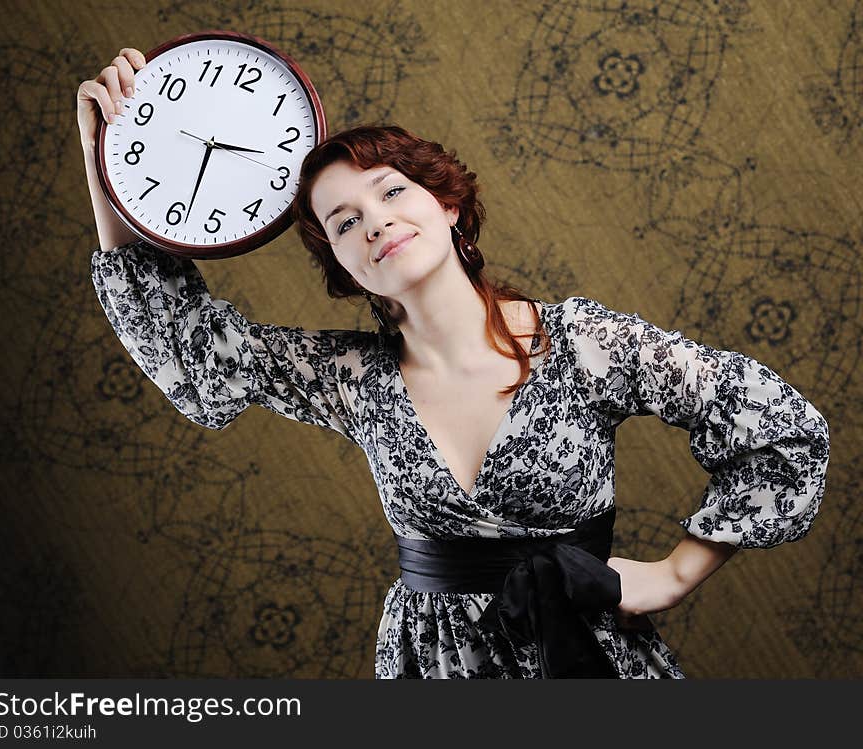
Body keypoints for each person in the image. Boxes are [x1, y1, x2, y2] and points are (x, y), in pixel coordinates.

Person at [78, 48, 831, 679]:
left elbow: (782, 429)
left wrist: (672, 575)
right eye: (345, 222)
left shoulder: (584, 346)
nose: (375, 220)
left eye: (391, 191)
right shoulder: (351, 378)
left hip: (593, 663)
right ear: (343, 267)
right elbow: (186, 342)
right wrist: (105, 157)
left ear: (445, 204)